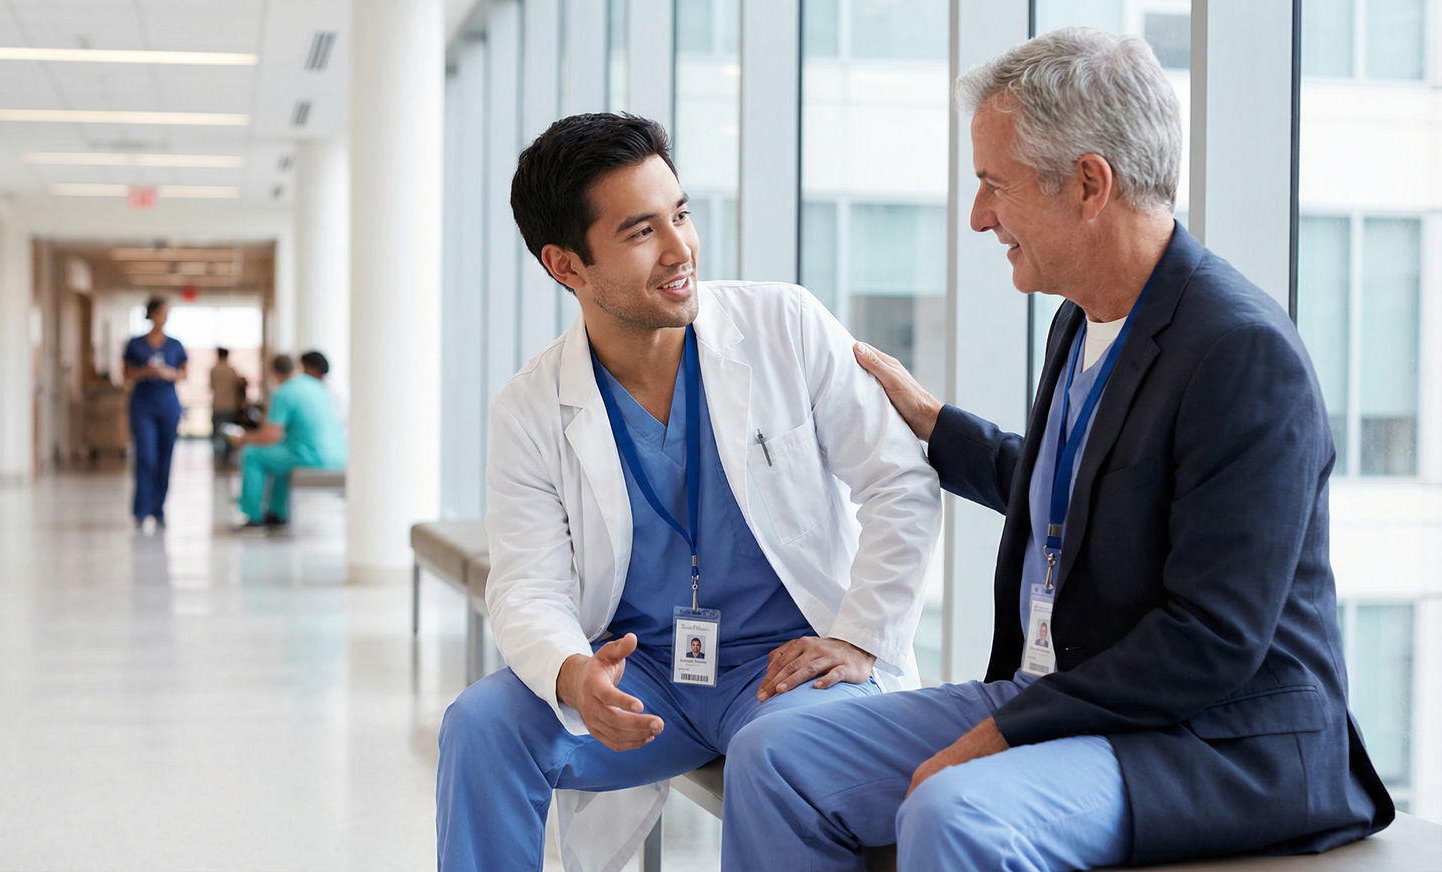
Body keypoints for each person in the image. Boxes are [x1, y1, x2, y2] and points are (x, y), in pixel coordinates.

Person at [720, 28, 1393, 872]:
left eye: (994, 186)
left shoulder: (1242, 353)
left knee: (956, 812)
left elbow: (1214, 638)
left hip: (1210, 739)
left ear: (1087, 184)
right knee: (775, 757)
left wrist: (1001, 733)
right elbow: (1087, 496)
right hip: (1071, 695)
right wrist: (936, 427)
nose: (979, 216)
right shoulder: (1081, 319)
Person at [434, 113, 942, 872]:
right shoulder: (531, 407)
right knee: (482, 725)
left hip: (789, 671)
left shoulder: (786, 327)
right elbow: (526, 583)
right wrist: (575, 674)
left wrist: (861, 636)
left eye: (681, 214)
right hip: (643, 678)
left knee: (782, 749)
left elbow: (899, 480)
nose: (680, 251)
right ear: (567, 265)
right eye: (641, 232)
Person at [228, 352, 346, 530]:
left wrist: (243, 438)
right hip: (339, 455)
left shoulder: (284, 392)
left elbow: (270, 436)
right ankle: (277, 513)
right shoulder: (319, 388)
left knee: (252, 454)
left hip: (312, 457)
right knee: (281, 456)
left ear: (274, 374)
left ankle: (253, 517)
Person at [122, 297, 187, 530]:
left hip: (168, 403)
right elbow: (127, 375)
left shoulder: (175, 345)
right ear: (151, 314)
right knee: (146, 456)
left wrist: (169, 373)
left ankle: (158, 509)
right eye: (161, 313)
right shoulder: (135, 344)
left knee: (164, 457)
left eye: (167, 313)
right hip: (143, 403)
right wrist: (145, 372)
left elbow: (183, 373)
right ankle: (141, 510)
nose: (165, 317)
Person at [209, 347, 246, 468]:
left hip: (217, 405)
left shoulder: (214, 370)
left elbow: (211, 386)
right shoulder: (232, 370)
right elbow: (239, 386)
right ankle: (226, 459)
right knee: (229, 433)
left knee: (216, 433)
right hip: (230, 405)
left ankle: (217, 458)